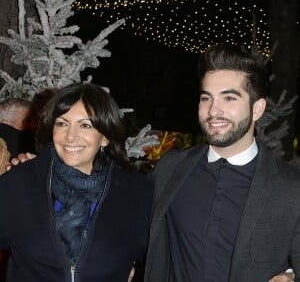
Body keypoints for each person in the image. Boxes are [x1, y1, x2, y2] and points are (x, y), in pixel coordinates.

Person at [143, 44, 300, 282]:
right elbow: (134, 228)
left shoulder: (291, 189)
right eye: (206, 98)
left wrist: (291, 275)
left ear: (257, 109)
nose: (214, 110)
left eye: (229, 98)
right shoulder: (170, 168)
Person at [0, 83, 153, 281]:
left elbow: (159, 262)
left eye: (85, 125)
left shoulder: (136, 194)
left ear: (105, 137)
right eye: (62, 123)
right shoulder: (21, 182)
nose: (70, 137)